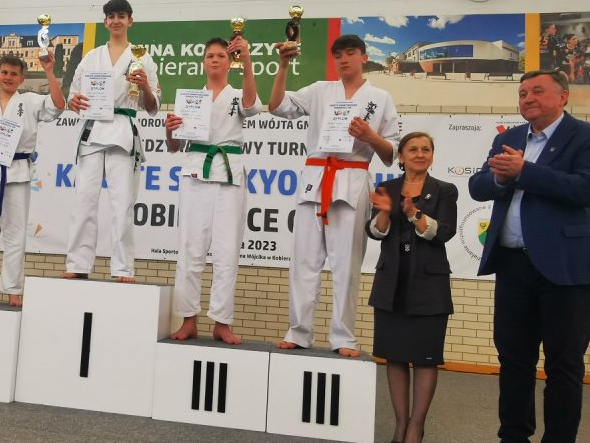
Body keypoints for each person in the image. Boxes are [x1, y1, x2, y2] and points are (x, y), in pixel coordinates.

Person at [468, 70, 590, 442]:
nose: (527, 98)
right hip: (513, 266)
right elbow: (478, 186)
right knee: (513, 360)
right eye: (522, 93)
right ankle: (513, 436)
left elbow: (587, 189)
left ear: (563, 96)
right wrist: (500, 178)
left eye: (537, 91)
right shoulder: (508, 138)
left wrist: (524, 172)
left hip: (567, 267)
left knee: (563, 365)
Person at [269, 34, 399, 356]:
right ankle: (299, 331)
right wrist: (283, 66)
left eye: (350, 53)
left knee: (346, 265)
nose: (343, 59)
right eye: (338, 54)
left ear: (364, 57)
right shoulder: (319, 90)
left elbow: (391, 152)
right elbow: (276, 107)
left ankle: (344, 337)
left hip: (352, 178)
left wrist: (370, 136)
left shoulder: (380, 97)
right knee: (303, 261)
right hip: (315, 178)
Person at [164, 36, 261, 345]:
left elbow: (251, 106)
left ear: (229, 62)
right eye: (210, 56)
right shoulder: (192, 99)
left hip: (229, 174)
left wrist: (247, 61)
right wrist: (169, 130)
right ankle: (188, 319)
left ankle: (222, 322)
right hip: (195, 172)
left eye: (221, 55)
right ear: (203, 62)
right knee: (190, 249)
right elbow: (174, 146)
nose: (215, 59)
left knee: (226, 251)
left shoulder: (238, 95)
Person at [367, 132, 457, 443]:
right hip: (391, 284)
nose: (420, 154)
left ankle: (416, 427)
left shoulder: (445, 190)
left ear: (432, 155)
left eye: (426, 149)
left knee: (424, 358)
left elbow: (444, 232)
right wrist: (384, 211)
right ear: (401, 157)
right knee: (394, 357)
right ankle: (400, 426)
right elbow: (375, 233)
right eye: (413, 149)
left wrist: (414, 214)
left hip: (429, 286)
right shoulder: (387, 189)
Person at [62, 0, 160, 283]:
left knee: (122, 204)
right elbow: (74, 97)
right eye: (111, 16)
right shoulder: (92, 57)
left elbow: (152, 107)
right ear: (105, 22)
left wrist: (144, 86)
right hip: (93, 133)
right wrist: (74, 102)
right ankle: (78, 263)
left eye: (121, 16)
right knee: (84, 201)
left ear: (130, 21)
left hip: (123, 132)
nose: (116, 20)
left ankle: (122, 268)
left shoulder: (143, 58)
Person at [0, 53, 64, 306]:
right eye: (4, 73)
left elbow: (58, 105)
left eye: (13, 74)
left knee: (15, 233)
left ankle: (13, 289)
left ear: (21, 78)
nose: (8, 77)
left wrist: (49, 71)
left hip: (17, 172)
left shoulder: (29, 101)